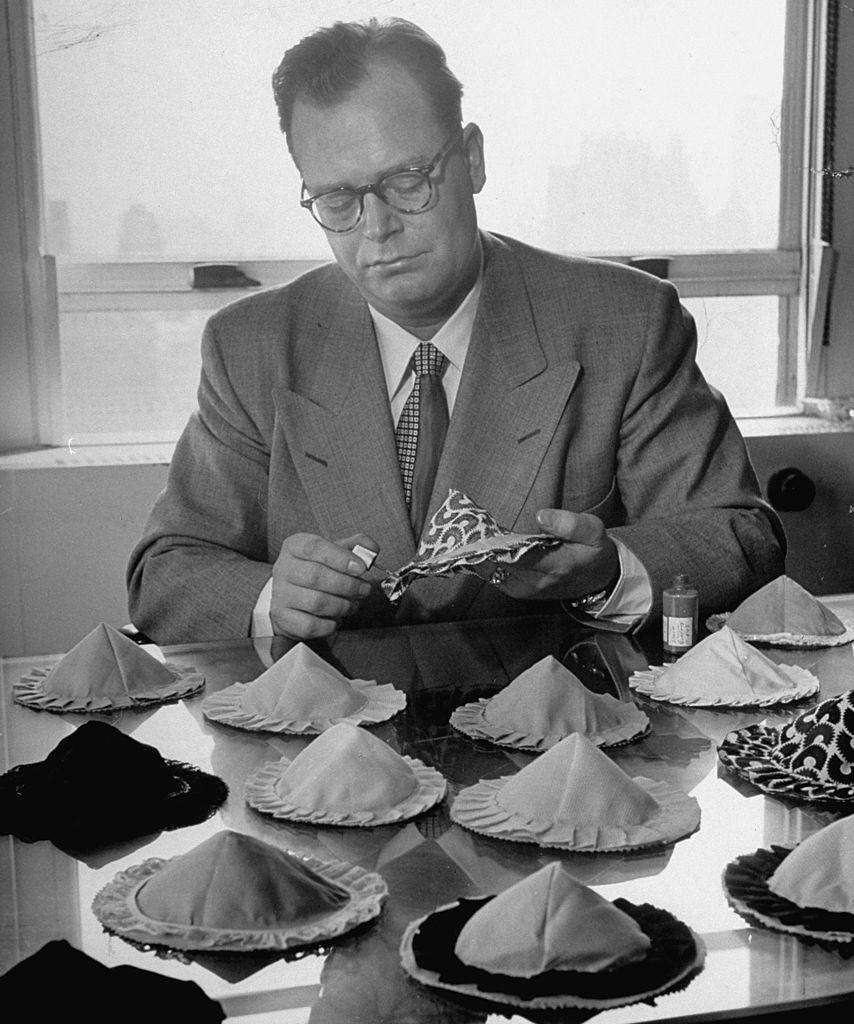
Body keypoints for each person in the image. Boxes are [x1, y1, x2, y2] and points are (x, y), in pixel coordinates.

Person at [127, 17, 785, 645]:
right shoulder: (251, 346)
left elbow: (743, 537)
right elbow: (165, 572)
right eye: (337, 200)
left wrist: (610, 567)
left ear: (471, 159)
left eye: (407, 181)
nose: (376, 229)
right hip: (325, 747)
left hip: (567, 743)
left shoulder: (627, 322)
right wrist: (273, 597)